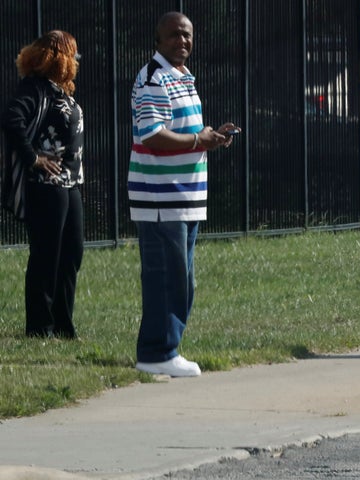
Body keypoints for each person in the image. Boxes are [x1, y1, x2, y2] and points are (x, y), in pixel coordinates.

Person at [129, 11, 237, 377]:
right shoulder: (153, 79)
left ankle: (167, 348)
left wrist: (209, 137)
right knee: (166, 278)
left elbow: (179, 131)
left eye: (188, 35)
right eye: (174, 35)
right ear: (158, 39)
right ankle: (157, 353)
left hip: (185, 197)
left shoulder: (184, 78)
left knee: (182, 278)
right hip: (160, 197)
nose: (183, 41)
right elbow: (152, 135)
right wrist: (197, 139)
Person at [1, 30, 85, 339]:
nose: (77, 60)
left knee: (72, 253)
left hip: (70, 184)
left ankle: (64, 325)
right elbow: (12, 119)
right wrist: (32, 158)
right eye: (73, 53)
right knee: (46, 255)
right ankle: (40, 327)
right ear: (60, 57)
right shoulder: (34, 88)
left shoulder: (60, 90)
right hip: (45, 184)